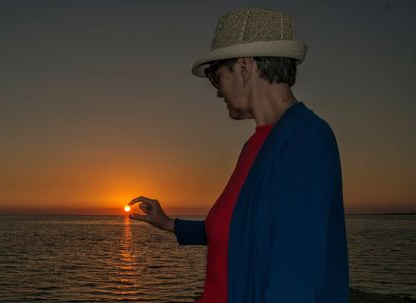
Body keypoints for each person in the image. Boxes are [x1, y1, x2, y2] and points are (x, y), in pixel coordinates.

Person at [128, 7, 349, 303]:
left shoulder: (305, 139)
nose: (218, 92)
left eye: (216, 77)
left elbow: (296, 280)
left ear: (244, 67)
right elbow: (245, 231)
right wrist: (169, 224)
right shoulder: (258, 145)